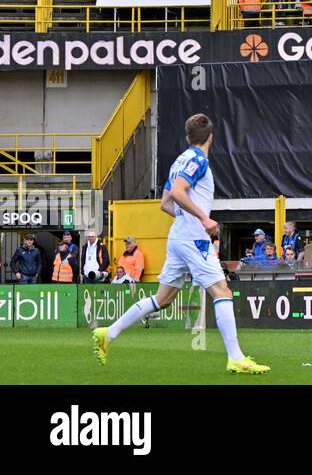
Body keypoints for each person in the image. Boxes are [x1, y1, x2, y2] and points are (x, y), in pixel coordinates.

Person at [93, 113, 269, 375]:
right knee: (222, 292)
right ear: (211, 137)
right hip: (192, 238)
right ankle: (236, 357)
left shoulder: (179, 160)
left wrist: (188, 218)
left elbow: (165, 203)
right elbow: (177, 193)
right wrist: (203, 218)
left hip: (178, 236)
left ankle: (110, 331)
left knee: (163, 299)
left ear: (187, 138)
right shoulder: (198, 160)